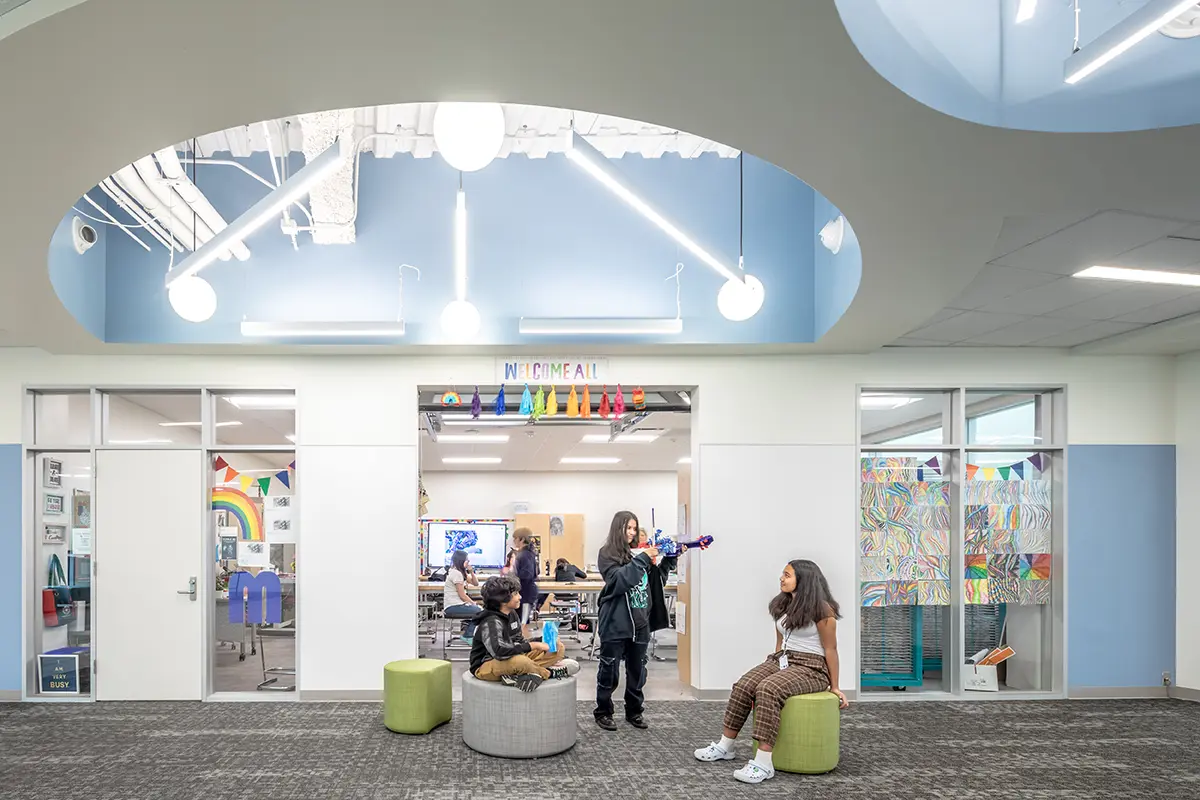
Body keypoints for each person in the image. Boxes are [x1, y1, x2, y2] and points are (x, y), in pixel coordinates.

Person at [693, 559, 848, 785]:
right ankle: (726, 746)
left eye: (787, 575)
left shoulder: (823, 610)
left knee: (768, 689)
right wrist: (774, 667)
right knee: (744, 685)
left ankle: (763, 762)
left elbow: (831, 650)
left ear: (803, 580)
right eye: (783, 574)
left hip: (812, 667)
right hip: (784, 660)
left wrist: (834, 686)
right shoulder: (783, 604)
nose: (781, 579)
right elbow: (781, 642)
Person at [593, 510, 683, 731]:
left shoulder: (640, 553)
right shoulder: (607, 553)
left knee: (638, 671)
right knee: (609, 669)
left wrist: (669, 561)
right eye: (628, 528)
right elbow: (618, 581)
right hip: (615, 622)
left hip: (640, 621)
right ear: (618, 528)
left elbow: (654, 582)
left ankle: (634, 711)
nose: (632, 533)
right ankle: (603, 711)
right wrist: (642, 558)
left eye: (634, 528)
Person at [470, 575, 578, 692]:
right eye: (516, 594)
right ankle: (550, 673)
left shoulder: (512, 614)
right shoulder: (490, 622)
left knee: (557, 647)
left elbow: (519, 641)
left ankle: (523, 673)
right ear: (503, 599)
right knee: (521, 662)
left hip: (511, 657)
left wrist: (541, 640)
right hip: (486, 664)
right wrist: (533, 646)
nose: (520, 597)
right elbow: (499, 651)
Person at [442, 549, 481, 642]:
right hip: (453, 606)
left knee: (479, 610)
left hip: (456, 604)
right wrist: (473, 604)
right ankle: (468, 635)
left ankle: (467, 631)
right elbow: (462, 595)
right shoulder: (457, 574)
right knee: (481, 612)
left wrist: (471, 571)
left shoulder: (459, 572)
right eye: (467, 560)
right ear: (461, 560)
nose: (468, 562)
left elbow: (475, 583)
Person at [511, 528, 540, 638]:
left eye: (515, 539)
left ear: (521, 539)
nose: (514, 541)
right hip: (523, 592)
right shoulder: (528, 553)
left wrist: (513, 578)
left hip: (526, 593)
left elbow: (527, 574)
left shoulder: (525, 555)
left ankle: (528, 650)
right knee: (521, 623)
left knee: (523, 625)